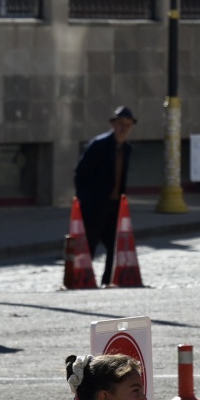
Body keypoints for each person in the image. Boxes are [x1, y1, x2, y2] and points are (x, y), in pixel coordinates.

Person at [74, 105, 136, 287]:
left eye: (127, 124)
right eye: (120, 124)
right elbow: (80, 173)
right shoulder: (99, 145)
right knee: (89, 245)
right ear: (113, 124)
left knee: (114, 246)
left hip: (114, 205)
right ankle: (84, 280)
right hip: (94, 204)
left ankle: (108, 280)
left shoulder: (127, 149)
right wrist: (84, 199)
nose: (123, 128)